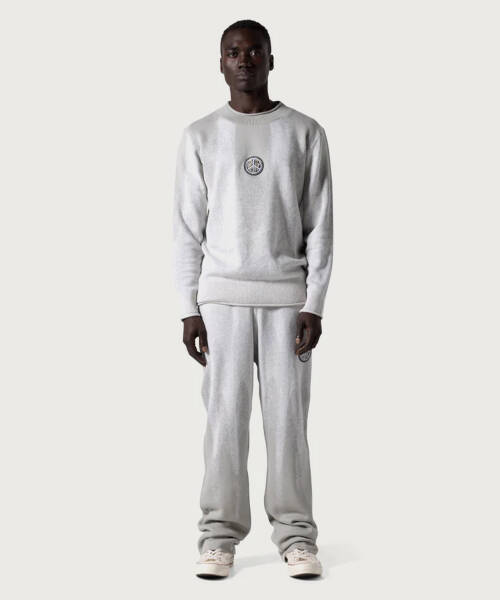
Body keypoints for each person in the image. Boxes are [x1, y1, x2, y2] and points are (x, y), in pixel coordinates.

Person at [172, 19, 334, 579]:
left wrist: (315, 302)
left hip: (287, 299)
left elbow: (320, 226)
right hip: (221, 301)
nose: (244, 60)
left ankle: (296, 536)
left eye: (254, 51)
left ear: (271, 59)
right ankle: (218, 536)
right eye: (233, 52)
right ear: (221, 63)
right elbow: (186, 229)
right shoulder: (200, 135)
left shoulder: (305, 132)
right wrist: (188, 308)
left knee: (288, 423)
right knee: (224, 422)